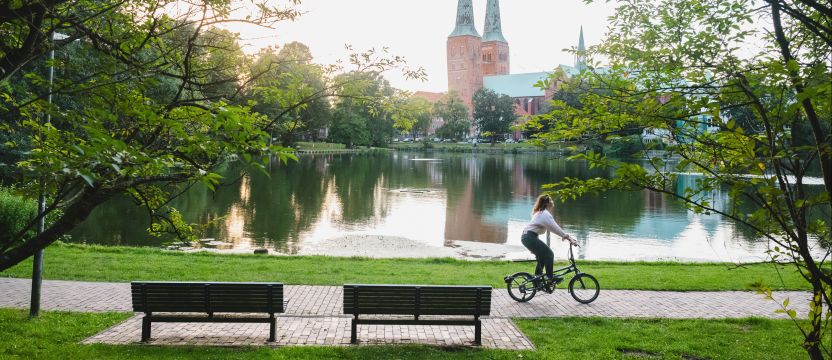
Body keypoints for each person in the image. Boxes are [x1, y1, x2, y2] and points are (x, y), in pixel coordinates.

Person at [521, 194, 578, 284]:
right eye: (551, 200)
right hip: (529, 237)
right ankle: (550, 277)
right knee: (550, 254)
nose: (553, 202)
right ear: (547, 203)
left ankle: (537, 278)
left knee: (543, 256)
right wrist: (568, 238)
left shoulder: (541, 212)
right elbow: (555, 228)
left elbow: (551, 229)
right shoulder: (545, 214)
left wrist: (566, 237)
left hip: (528, 237)